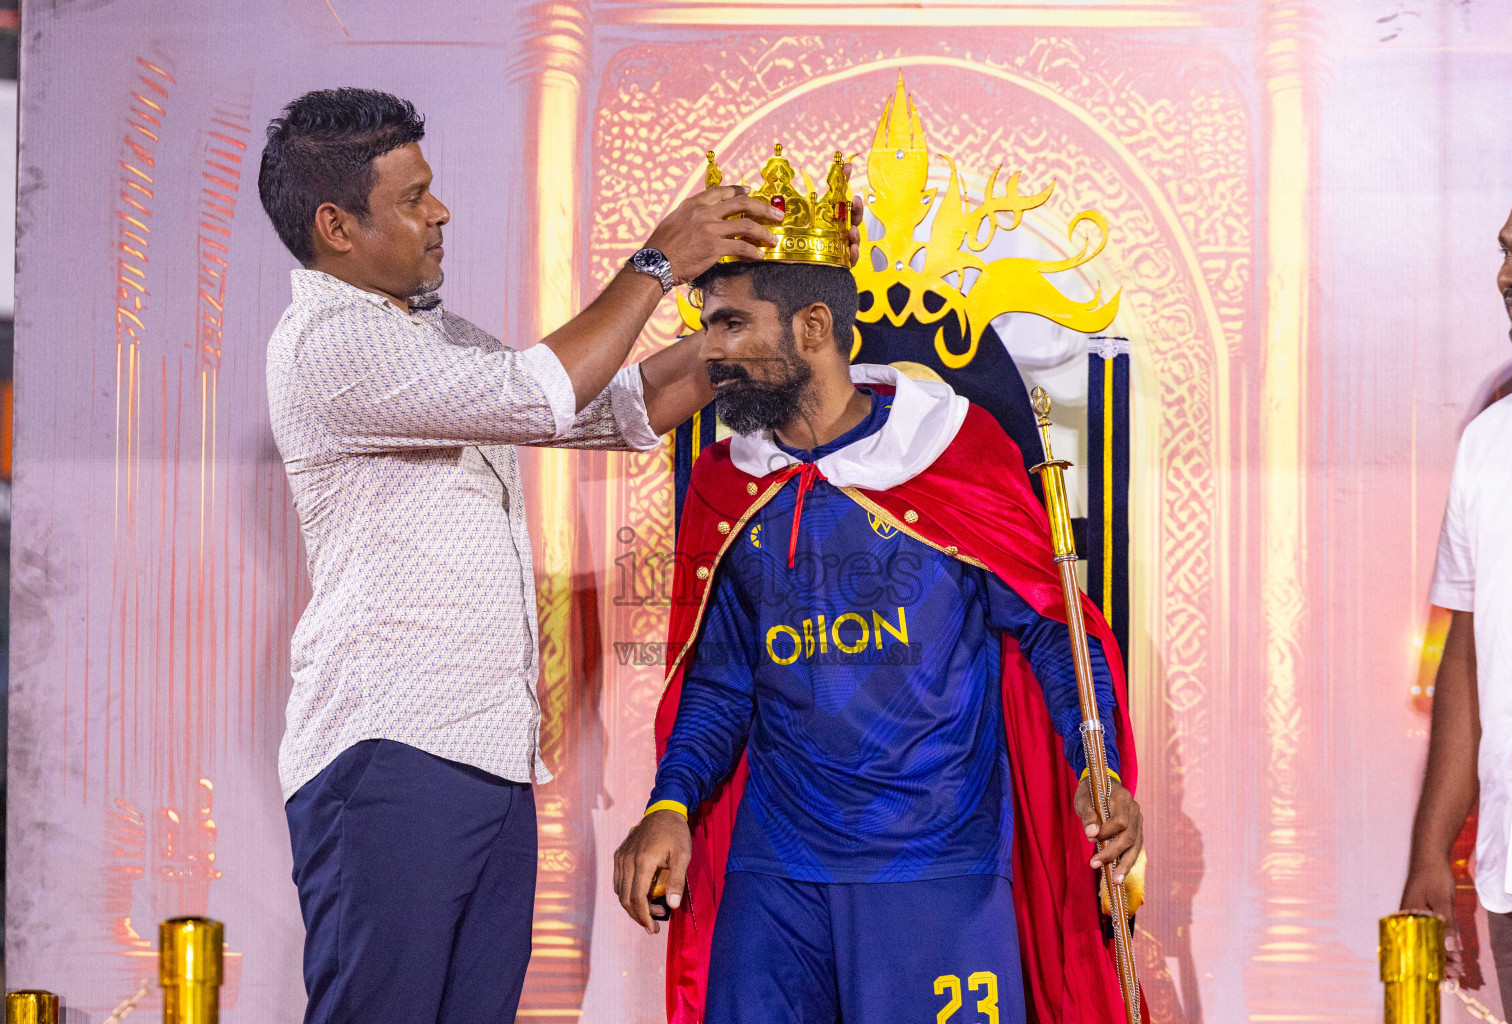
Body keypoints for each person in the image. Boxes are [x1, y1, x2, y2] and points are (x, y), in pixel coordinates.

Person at [257, 87, 860, 1024]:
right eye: (414, 198)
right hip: (389, 755)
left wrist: (749, 327)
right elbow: (537, 394)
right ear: (336, 226)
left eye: (434, 189)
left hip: (484, 758)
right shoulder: (332, 344)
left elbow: (606, 407)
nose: (440, 212)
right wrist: (660, 264)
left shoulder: (428, 332)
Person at [612, 256, 1144, 1024]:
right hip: (777, 873)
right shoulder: (730, 483)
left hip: (936, 864)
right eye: (707, 327)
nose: (711, 351)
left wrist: (1097, 765)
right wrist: (669, 801)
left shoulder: (956, 454)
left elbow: (1052, 631)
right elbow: (721, 681)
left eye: (732, 322)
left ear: (814, 327)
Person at [1402, 178, 1512, 1020]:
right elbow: (1468, 656)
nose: (1508, 273)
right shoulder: (1489, 444)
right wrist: (1428, 859)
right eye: (1505, 249)